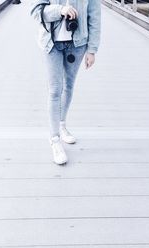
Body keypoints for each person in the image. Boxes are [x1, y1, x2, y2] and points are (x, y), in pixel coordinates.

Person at [30, 0, 101, 165]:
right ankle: (54, 139)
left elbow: (95, 18)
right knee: (55, 90)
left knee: (68, 87)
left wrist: (92, 49)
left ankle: (61, 125)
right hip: (51, 43)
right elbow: (36, 12)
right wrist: (61, 10)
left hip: (77, 44)